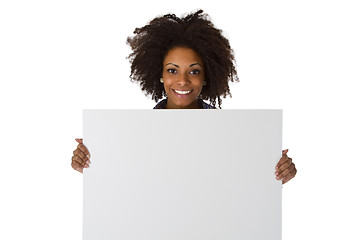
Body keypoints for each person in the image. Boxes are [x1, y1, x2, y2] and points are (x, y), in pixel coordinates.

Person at [71, 10, 297, 184]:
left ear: (206, 77)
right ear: (159, 74)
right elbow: (123, 181)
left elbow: (247, 182)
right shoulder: (131, 135)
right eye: (172, 70)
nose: (182, 80)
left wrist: (278, 170)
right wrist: (93, 159)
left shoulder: (235, 135)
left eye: (194, 71)